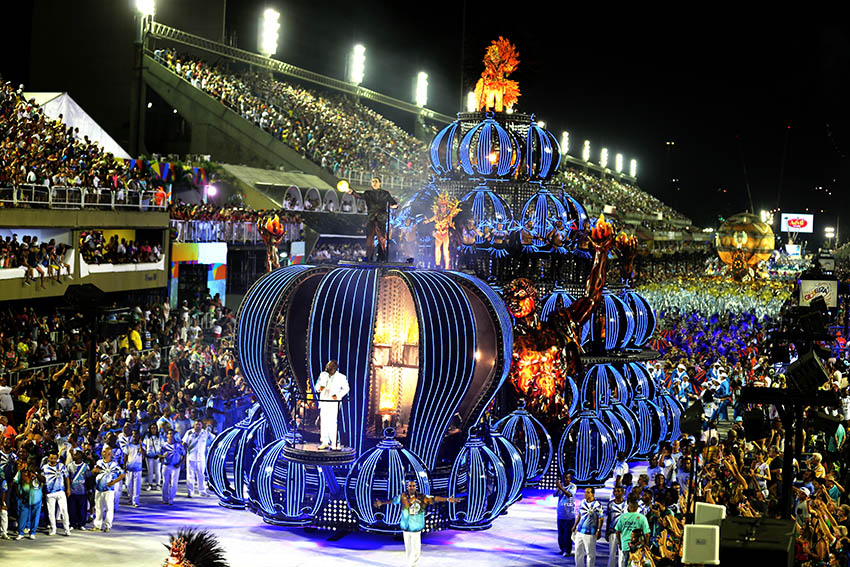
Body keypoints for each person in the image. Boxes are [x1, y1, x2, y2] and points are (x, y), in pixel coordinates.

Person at [374, 479, 461, 567]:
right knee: (408, 549)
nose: (411, 487)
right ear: (407, 487)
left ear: (416, 487)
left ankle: (413, 565)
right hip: (406, 527)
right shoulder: (403, 496)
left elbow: (435, 498)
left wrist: (447, 499)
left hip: (416, 527)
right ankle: (410, 564)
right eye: (410, 486)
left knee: (415, 549)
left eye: (413, 486)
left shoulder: (422, 497)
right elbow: (393, 501)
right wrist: (381, 502)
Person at [345, 176, 398, 262]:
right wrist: (352, 192)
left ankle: (382, 257)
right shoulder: (368, 193)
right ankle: (369, 257)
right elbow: (359, 195)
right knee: (369, 239)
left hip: (381, 218)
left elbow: (393, 203)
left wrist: (394, 206)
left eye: (376, 181)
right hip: (371, 218)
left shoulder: (385, 193)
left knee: (382, 239)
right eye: (373, 181)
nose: (374, 183)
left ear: (380, 183)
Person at [315, 360, 349, 450]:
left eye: (330, 368)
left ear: (335, 368)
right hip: (324, 401)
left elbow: (346, 388)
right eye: (328, 368)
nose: (328, 369)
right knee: (324, 421)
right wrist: (319, 388)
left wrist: (338, 396)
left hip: (333, 402)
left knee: (333, 422)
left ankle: (334, 443)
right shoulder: (323, 375)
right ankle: (324, 442)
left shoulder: (341, 377)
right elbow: (317, 386)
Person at [92, 445, 125, 532]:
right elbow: (93, 471)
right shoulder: (99, 462)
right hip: (99, 488)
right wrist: (94, 471)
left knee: (109, 508)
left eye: (104, 452)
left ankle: (107, 526)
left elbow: (123, 474)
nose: (102, 453)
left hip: (109, 490)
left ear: (109, 453)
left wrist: (113, 482)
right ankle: (97, 525)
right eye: (103, 452)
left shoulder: (114, 465)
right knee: (98, 508)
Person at [14, 456, 44, 539]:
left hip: (36, 498)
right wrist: (18, 493)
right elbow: (15, 482)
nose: (31, 461)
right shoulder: (22, 471)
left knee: (35, 516)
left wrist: (36, 473)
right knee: (22, 516)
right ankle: (21, 533)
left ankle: (32, 532)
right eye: (29, 460)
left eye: (33, 460)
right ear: (27, 461)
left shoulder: (39, 471)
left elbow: (44, 480)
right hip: (25, 497)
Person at [42, 449, 71, 536]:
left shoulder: (62, 466)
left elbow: (67, 478)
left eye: (55, 458)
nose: (53, 460)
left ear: (57, 458)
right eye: (51, 458)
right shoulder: (44, 468)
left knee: (64, 511)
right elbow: (42, 480)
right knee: (51, 512)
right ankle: (53, 528)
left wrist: (68, 489)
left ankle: (67, 529)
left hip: (61, 491)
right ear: (48, 458)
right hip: (50, 493)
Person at [614, 498, 650, 567]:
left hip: (626, 545)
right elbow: (647, 534)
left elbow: (617, 532)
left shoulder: (623, 517)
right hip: (638, 546)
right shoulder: (642, 518)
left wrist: (619, 543)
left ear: (630, 507)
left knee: (627, 563)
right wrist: (646, 545)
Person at [183, 419, 214, 497]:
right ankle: (190, 492)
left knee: (201, 475)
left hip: (201, 458)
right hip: (191, 457)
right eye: (196, 424)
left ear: (202, 425)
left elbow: (214, 439)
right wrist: (184, 453)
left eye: (199, 424)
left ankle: (202, 491)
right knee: (190, 476)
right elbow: (184, 443)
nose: (198, 426)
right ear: (193, 425)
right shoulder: (189, 432)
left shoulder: (205, 433)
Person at [574, 486, 603, 567]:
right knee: (578, 551)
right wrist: (575, 525)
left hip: (590, 533)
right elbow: (580, 514)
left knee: (590, 554)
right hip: (580, 531)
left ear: (593, 494)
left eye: (588, 492)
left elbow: (601, 518)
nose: (585, 494)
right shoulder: (583, 502)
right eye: (585, 492)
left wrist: (598, 530)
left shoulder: (597, 504)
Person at [67, 448, 90, 531]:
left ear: (80, 456)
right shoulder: (70, 466)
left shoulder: (86, 466)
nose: (74, 455)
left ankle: (81, 524)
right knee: (72, 509)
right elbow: (68, 478)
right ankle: (72, 524)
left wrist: (88, 490)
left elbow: (88, 478)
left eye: (76, 454)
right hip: (73, 491)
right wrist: (68, 489)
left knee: (82, 509)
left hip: (82, 491)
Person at [161, 429, 186, 505]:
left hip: (175, 467)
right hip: (166, 466)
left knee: (174, 484)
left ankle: (171, 498)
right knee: (165, 483)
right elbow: (159, 457)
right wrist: (163, 456)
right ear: (167, 435)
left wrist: (180, 463)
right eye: (169, 434)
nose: (171, 435)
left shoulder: (178, 446)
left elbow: (184, 455)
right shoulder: (164, 445)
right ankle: (165, 498)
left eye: (172, 434)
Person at [556, 471, 577, 556]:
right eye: (564, 477)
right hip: (560, 514)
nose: (566, 479)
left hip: (569, 515)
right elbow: (555, 495)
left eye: (567, 477)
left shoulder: (573, 486)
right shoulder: (561, 486)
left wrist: (561, 488)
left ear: (570, 478)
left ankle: (567, 550)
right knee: (560, 534)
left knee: (567, 534)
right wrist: (558, 488)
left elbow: (570, 495)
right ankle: (562, 549)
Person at [607, 485, 627, 567]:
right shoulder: (610, 504)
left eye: (618, 491)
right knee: (612, 553)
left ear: (623, 493)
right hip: (613, 532)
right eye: (615, 491)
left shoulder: (626, 505)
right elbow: (608, 518)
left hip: (623, 533)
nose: (616, 493)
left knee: (621, 555)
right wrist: (607, 531)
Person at [124, 430, 144, 507]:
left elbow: (143, 454)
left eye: (136, 435)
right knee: (129, 485)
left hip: (138, 468)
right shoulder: (128, 445)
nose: (134, 436)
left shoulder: (142, 445)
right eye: (133, 435)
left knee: (137, 485)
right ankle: (130, 498)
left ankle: (136, 501)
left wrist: (140, 444)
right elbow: (125, 455)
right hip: (129, 468)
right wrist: (124, 465)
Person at [143, 422, 163, 490]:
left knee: (157, 471)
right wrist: (145, 453)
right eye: (152, 428)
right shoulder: (147, 436)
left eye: (154, 428)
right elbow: (144, 445)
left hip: (157, 456)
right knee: (150, 471)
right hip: (149, 456)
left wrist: (161, 455)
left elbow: (162, 446)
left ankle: (158, 484)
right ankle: (150, 484)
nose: (153, 430)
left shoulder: (160, 436)